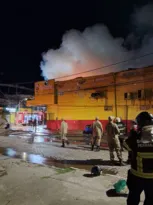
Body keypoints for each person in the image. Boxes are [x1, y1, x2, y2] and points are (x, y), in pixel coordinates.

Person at [124, 111, 153, 205]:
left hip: (137, 176)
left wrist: (132, 134)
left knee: (133, 198)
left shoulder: (137, 136)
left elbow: (125, 146)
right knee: (151, 199)